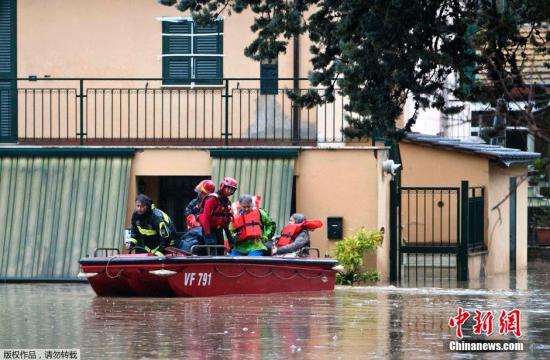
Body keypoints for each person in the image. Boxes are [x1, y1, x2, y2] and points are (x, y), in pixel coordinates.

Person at [198, 177, 238, 255]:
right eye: (229, 188)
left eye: (233, 190)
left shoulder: (226, 201)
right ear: (223, 186)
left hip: (218, 231)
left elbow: (226, 219)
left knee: (220, 253)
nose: (230, 191)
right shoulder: (212, 199)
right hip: (209, 230)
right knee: (213, 254)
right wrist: (208, 235)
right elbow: (205, 218)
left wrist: (229, 236)